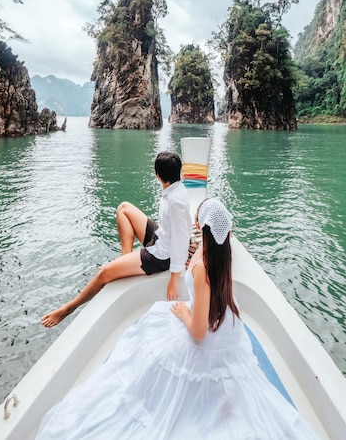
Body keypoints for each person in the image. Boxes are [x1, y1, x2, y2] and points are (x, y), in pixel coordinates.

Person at [36, 198, 320, 439]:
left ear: (200, 228)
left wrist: (185, 312)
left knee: (152, 338)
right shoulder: (222, 255)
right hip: (228, 331)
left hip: (203, 332)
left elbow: (197, 332)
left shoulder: (202, 268)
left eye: (196, 220)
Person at [41, 151, 191, 328]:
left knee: (104, 273)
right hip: (161, 237)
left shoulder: (175, 202)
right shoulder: (175, 188)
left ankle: (68, 308)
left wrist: (174, 279)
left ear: (158, 175)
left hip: (161, 255)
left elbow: (181, 239)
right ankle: (124, 260)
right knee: (124, 208)